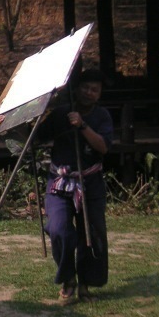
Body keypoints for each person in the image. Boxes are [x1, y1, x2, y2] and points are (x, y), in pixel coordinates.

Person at [38, 69, 113, 304]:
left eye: (95, 90)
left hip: (90, 183)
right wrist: (20, 124)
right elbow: (36, 138)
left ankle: (86, 283)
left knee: (92, 234)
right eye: (85, 88)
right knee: (59, 229)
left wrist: (82, 126)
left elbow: (103, 147)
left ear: (99, 94)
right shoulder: (61, 113)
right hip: (59, 182)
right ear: (76, 88)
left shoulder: (102, 116)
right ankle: (68, 278)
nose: (89, 93)